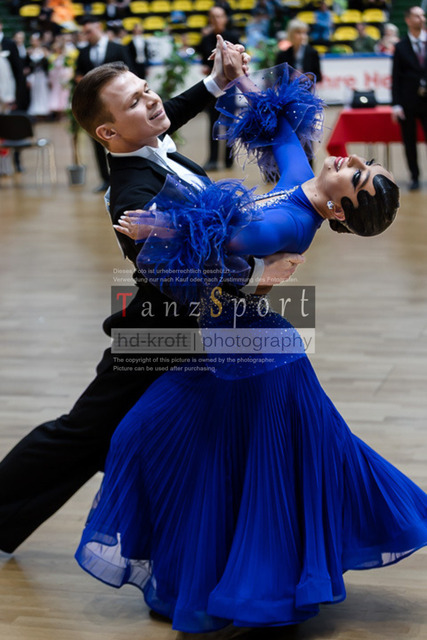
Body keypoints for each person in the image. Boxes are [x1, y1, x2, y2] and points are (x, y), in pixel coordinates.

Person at [73, 67, 421, 640]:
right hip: (240, 345)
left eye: (357, 177)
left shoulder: (288, 220)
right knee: (208, 457)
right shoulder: (300, 181)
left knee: (199, 453)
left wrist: (159, 225)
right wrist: (239, 82)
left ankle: (245, 586)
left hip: (252, 358)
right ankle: (211, 580)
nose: (352, 160)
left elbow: (223, 242)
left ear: (339, 211)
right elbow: (279, 126)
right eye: (363, 163)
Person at [0, 41, 301, 555]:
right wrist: (259, 269)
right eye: (136, 101)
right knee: (85, 434)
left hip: (192, 326)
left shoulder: (143, 140)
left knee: (124, 435)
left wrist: (217, 82)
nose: (153, 100)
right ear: (108, 133)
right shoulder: (134, 198)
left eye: (146, 89)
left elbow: (168, 111)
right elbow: (179, 276)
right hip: (160, 333)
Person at [74, 15, 134, 192]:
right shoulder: (83, 52)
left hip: (119, 104)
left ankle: (127, 178)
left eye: (89, 31)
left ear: (98, 27)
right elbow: (77, 74)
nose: (87, 36)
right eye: (84, 33)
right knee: (97, 141)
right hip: (94, 106)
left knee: (124, 139)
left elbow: (130, 72)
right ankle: (105, 179)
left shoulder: (118, 48)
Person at [197, 6, 240, 171]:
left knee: (229, 123)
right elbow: (203, 61)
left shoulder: (233, 37)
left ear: (225, 19)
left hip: (229, 86)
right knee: (213, 123)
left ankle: (229, 159)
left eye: (219, 16)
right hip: (213, 85)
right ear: (209, 19)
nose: (216, 19)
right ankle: (213, 159)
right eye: (213, 16)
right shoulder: (206, 39)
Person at [392, 5, 427, 191]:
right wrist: (396, 104)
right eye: (417, 16)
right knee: (409, 141)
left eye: (423, 16)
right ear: (408, 20)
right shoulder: (400, 47)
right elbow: (395, 77)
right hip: (408, 101)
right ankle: (414, 176)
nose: (422, 19)